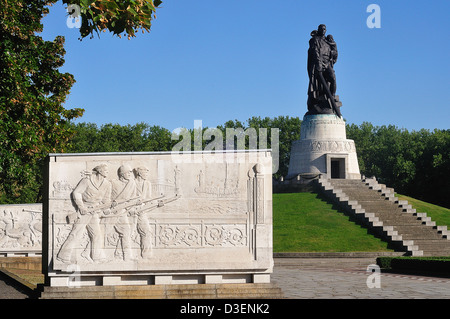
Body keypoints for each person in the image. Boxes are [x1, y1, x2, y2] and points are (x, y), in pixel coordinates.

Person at [57, 164, 111, 263]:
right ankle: (63, 256)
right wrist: (81, 206)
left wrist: (106, 208)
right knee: (76, 233)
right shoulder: (87, 180)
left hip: (94, 212)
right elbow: (76, 193)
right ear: (99, 171)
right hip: (85, 210)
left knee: (97, 235)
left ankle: (97, 257)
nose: (107, 172)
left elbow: (106, 200)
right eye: (105, 170)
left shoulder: (107, 184)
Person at [307, 24, 340, 115]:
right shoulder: (315, 40)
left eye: (325, 29)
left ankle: (332, 96)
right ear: (319, 30)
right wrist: (318, 64)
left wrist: (334, 51)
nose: (323, 30)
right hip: (319, 64)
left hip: (327, 63)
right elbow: (315, 51)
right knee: (319, 84)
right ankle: (318, 101)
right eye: (322, 29)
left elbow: (333, 53)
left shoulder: (327, 41)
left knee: (332, 78)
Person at [110, 165, 136, 261]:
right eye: (127, 172)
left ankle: (121, 254)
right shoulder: (113, 183)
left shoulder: (132, 184)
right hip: (113, 212)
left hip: (124, 211)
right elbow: (107, 196)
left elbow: (133, 198)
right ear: (122, 174)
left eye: (130, 172)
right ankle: (124, 256)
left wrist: (130, 207)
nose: (130, 174)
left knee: (126, 232)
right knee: (102, 232)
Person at [133, 166, 153, 258]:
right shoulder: (132, 183)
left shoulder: (147, 183)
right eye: (145, 173)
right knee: (128, 233)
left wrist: (145, 205)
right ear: (140, 173)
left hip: (142, 211)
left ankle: (146, 255)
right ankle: (120, 254)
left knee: (146, 231)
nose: (147, 175)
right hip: (131, 211)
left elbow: (149, 198)